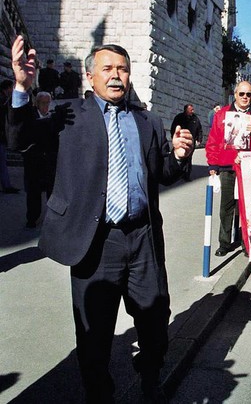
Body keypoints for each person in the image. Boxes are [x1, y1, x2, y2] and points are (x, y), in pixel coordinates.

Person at [7, 35, 194, 402]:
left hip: (143, 239)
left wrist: (181, 155)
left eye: (123, 69)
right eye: (107, 69)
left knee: (156, 321)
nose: (116, 76)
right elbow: (20, 139)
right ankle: (99, 394)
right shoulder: (69, 115)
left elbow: (164, 173)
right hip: (95, 241)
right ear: (89, 76)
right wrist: (21, 87)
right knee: (95, 334)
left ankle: (150, 376)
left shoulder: (148, 121)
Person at [206, 81, 251, 256]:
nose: (245, 97)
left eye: (249, 95)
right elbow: (213, 140)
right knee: (226, 206)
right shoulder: (222, 115)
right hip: (227, 165)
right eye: (242, 94)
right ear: (235, 95)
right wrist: (213, 164)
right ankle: (224, 242)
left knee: (248, 207)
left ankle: (247, 242)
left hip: (249, 167)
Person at [21, 92, 59, 228]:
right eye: (43, 103)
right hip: (34, 162)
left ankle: (53, 220)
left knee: (52, 192)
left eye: (48, 103)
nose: (46, 106)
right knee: (33, 193)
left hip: (50, 161)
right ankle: (32, 218)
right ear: (37, 103)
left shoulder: (55, 117)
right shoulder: (30, 117)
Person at [171, 103, 203, 181]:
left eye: (193, 109)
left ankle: (186, 175)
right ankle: (177, 173)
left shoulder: (195, 118)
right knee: (179, 157)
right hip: (181, 140)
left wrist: (199, 139)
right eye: (191, 109)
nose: (192, 111)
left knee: (188, 158)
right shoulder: (179, 117)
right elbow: (173, 127)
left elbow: (199, 129)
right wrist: (173, 136)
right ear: (186, 110)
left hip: (190, 142)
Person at [0, 79, 20, 194]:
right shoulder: (3, 101)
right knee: (2, 162)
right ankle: (6, 186)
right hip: (1, 135)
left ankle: (6, 185)